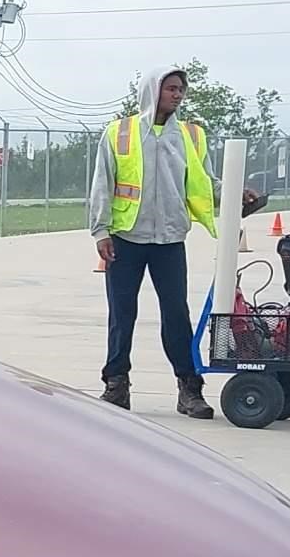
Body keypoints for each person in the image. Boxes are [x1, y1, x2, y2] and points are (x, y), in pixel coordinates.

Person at [87, 66, 260, 417]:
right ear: (153, 91)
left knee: (177, 315)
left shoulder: (191, 136)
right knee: (122, 316)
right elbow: (101, 184)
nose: (177, 95)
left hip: (169, 239)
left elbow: (204, 182)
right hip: (126, 239)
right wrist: (101, 231)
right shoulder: (119, 133)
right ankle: (116, 385)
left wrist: (233, 195)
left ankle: (189, 388)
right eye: (170, 88)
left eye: (180, 89)